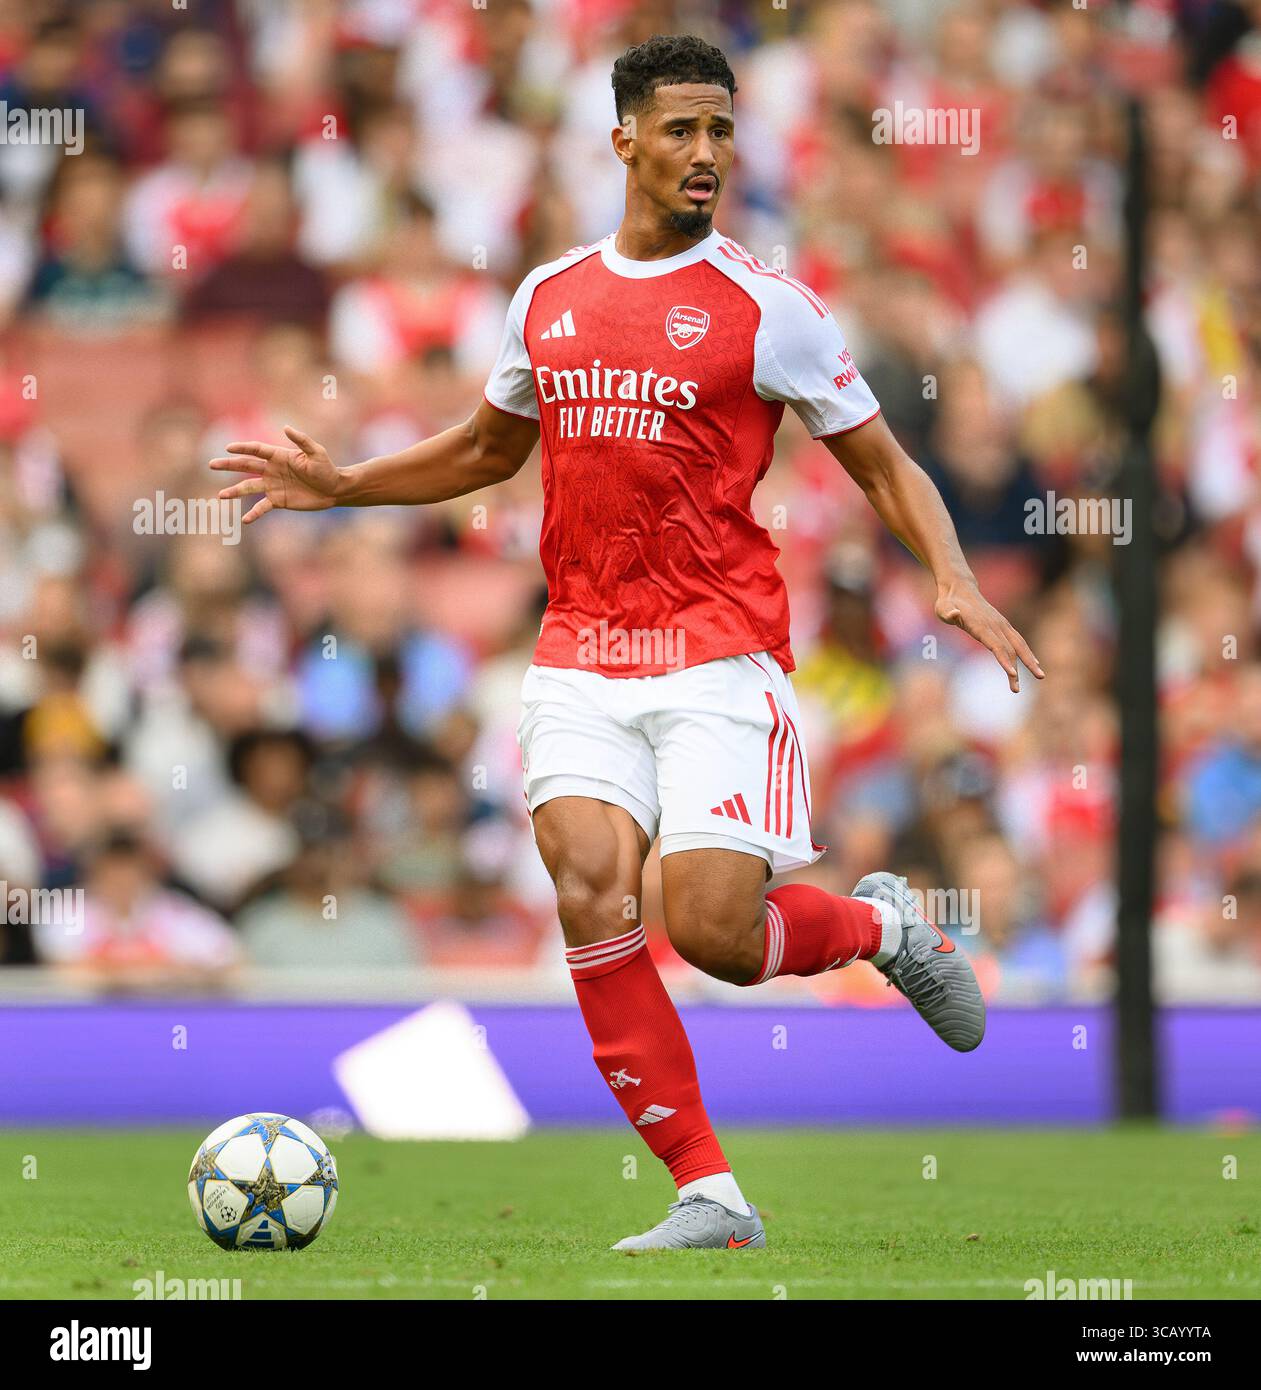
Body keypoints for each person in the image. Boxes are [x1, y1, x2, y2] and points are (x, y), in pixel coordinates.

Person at [210, 34, 1043, 1252]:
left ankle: (880, 928)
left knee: (711, 930)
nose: (705, 153)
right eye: (680, 130)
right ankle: (710, 1190)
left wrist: (953, 576)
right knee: (593, 894)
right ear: (623, 141)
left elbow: (882, 460)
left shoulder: (770, 309)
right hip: (582, 654)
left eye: (721, 130)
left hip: (716, 651)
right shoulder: (547, 296)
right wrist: (346, 486)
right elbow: (490, 450)